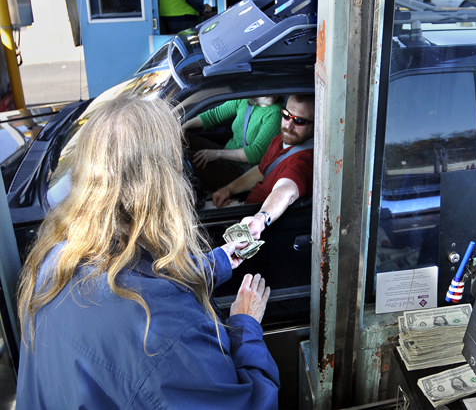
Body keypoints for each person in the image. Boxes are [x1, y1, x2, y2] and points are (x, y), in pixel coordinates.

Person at [16, 96, 280, 409]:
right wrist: (245, 327)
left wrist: (217, 262)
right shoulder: (162, 337)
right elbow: (249, 404)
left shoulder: (56, 258)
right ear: (163, 188)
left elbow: (139, 276)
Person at [212, 94, 314, 239]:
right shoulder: (280, 140)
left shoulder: (304, 161)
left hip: (258, 228)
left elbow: (286, 190)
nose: (288, 125)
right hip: (248, 208)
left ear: (316, 124)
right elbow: (261, 171)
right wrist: (228, 189)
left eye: (299, 121)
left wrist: (261, 219)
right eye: (286, 115)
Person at [184, 96, 283, 191]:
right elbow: (215, 115)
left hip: (243, 171)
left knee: (183, 162)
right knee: (185, 138)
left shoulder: (275, 113)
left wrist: (217, 154)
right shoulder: (243, 99)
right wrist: (184, 125)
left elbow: (255, 153)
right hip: (227, 154)